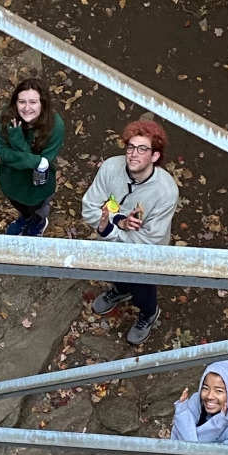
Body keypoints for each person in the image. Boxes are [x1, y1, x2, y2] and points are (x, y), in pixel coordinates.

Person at [81, 118, 179, 345]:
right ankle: (120, 290)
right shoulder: (111, 168)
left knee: (142, 287)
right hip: (111, 245)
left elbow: (149, 238)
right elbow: (89, 209)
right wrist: (119, 223)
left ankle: (148, 312)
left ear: (155, 156)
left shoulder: (166, 192)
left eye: (142, 149)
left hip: (144, 253)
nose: (133, 154)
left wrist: (109, 229)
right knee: (114, 273)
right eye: (131, 147)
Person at [0, 77, 66, 237]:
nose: (26, 108)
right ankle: (25, 219)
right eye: (22, 102)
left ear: (43, 103)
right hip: (10, 180)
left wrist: (17, 140)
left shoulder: (55, 126)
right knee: (19, 206)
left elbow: (45, 162)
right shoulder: (8, 115)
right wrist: (35, 160)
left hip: (37, 187)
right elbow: (2, 150)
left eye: (33, 102)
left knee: (38, 209)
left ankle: (38, 223)